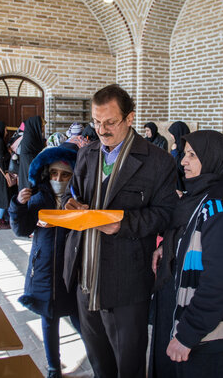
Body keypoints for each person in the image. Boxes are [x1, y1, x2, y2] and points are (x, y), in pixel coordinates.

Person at [63, 84, 178, 378]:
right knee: (99, 361)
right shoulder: (87, 154)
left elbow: (166, 214)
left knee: (129, 364)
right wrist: (69, 205)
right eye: (96, 122)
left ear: (130, 118)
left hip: (126, 282)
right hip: (85, 276)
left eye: (110, 122)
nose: (102, 130)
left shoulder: (158, 162)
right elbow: (71, 193)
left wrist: (121, 224)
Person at [150, 130, 223, 378]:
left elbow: (218, 284)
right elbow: (190, 231)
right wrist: (167, 247)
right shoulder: (208, 189)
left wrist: (187, 336)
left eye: (192, 155)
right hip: (183, 304)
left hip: (207, 332)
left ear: (212, 157)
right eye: (184, 154)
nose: (183, 161)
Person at [9, 142, 82, 378]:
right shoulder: (39, 198)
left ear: (74, 176)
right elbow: (21, 229)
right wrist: (18, 205)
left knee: (82, 320)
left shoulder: (79, 200)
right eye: (54, 173)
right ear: (47, 173)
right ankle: (53, 366)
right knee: (49, 320)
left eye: (64, 174)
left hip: (73, 270)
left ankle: (99, 359)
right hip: (44, 268)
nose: (58, 178)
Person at [18, 116, 45, 191]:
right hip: (29, 167)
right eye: (41, 126)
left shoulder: (32, 136)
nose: (42, 129)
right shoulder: (29, 139)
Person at [168, 121, 191, 192]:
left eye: (173, 134)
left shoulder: (188, 147)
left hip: (184, 184)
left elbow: (180, 166)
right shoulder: (177, 145)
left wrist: (174, 152)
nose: (171, 136)